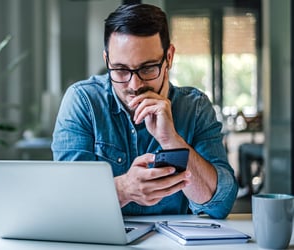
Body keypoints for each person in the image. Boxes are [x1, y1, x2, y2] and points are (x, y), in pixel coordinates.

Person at [51, 3, 238, 219]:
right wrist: (123, 190)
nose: (134, 85)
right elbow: (67, 200)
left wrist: (171, 141)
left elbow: (220, 205)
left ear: (169, 57)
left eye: (148, 68)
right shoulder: (83, 102)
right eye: (121, 70)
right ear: (107, 60)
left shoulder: (194, 107)